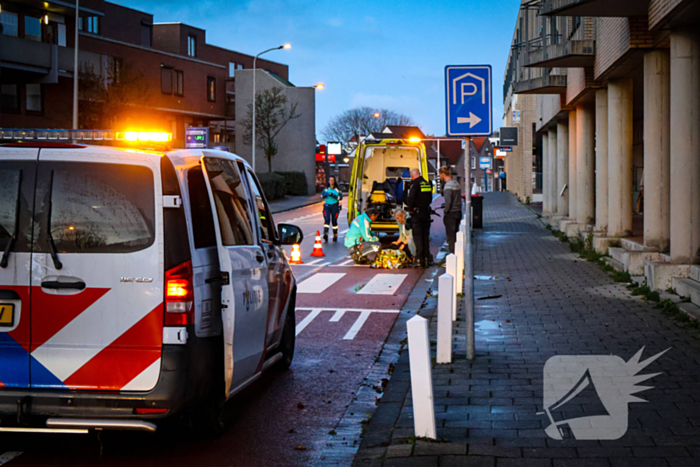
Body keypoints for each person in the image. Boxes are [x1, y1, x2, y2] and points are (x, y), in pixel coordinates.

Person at [406, 168, 433, 268]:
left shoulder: (415, 184)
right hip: (426, 213)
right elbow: (430, 198)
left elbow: (411, 198)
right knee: (425, 236)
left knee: (418, 237)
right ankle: (426, 259)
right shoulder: (426, 183)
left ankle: (419, 260)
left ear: (412, 175)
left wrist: (410, 209)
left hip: (417, 214)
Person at [439, 166, 462, 254]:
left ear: (443, 174)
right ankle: (456, 254)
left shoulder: (448, 186)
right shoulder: (456, 183)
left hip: (451, 214)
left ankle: (452, 256)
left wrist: (445, 211)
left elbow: (448, 201)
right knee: (455, 235)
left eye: (440, 175)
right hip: (458, 212)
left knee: (451, 237)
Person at [321, 176, 343, 242]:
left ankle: (335, 234)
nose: (331, 181)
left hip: (335, 207)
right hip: (327, 206)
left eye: (332, 180)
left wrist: (333, 195)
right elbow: (322, 196)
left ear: (334, 181)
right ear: (328, 181)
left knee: (334, 221)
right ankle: (325, 233)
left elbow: (340, 197)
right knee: (327, 220)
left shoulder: (337, 189)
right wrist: (325, 194)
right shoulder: (326, 189)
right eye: (330, 180)